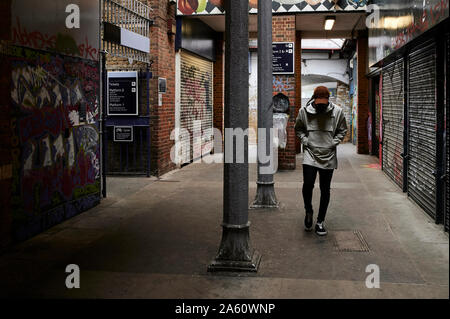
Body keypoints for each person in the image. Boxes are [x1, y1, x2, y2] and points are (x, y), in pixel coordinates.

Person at [294, 86, 348, 236]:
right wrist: (306, 141)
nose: (321, 105)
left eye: (324, 103)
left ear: (328, 100)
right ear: (313, 99)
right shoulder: (303, 112)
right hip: (310, 153)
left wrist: (333, 142)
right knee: (308, 184)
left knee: (325, 189)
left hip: (328, 154)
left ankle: (320, 221)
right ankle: (308, 211)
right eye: (319, 103)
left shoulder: (337, 112)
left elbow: (343, 130)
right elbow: (298, 129)